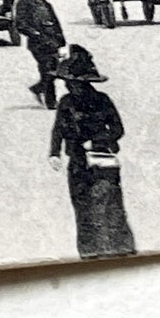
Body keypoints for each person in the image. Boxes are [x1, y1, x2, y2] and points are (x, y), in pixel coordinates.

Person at [50, 45, 136, 259]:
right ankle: (90, 254)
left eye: (73, 83)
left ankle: (122, 250)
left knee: (110, 208)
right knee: (83, 209)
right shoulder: (66, 103)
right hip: (78, 164)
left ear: (84, 83)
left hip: (102, 163)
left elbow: (117, 129)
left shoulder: (102, 100)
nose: (69, 86)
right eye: (68, 82)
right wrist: (54, 152)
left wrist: (96, 140)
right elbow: (58, 129)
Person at [15, 0, 65, 108]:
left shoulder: (43, 0)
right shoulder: (23, 3)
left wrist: (61, 39)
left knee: (55, 69)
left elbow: (54, 20)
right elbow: (20, 24)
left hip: (52, 40)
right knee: (47, 69)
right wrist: (35, 34)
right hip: (38, 43)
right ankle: (51, 102)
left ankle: (38, 89)